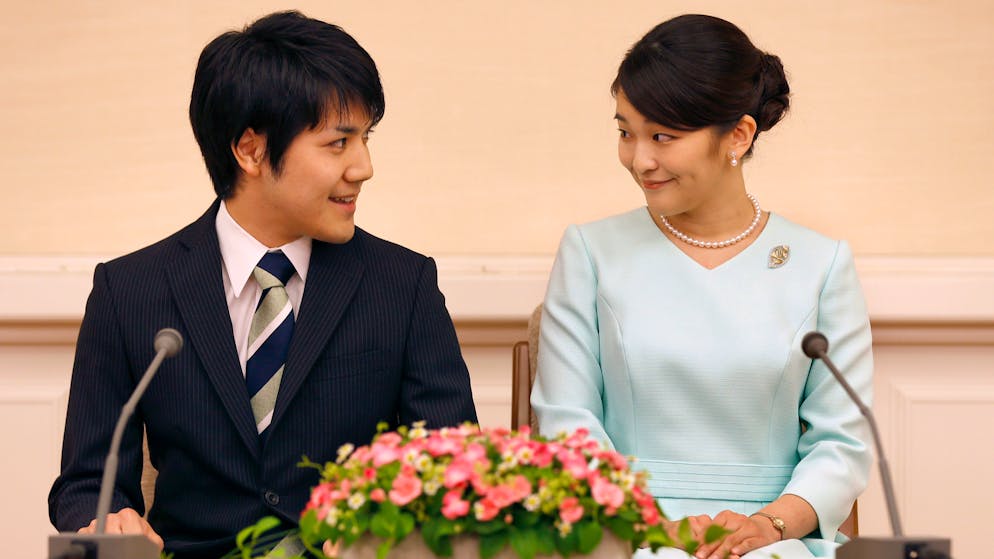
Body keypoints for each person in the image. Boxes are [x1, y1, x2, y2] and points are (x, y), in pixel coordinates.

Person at [48, 11, 477, 558]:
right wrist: (107, 521)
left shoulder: (403, 285)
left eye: (365, 138)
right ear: (250, 150)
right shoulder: (129, 291)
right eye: (338, 143)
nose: (364, 167)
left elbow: (457, 473)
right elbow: (85, 483)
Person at [531, 14, 872, 559]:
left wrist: (769, 527)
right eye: (626, 132)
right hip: (624, 534)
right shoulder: (591, 252)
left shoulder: (821, 263)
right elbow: (568, 424)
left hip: (774, 537)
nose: (639, 160)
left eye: (662, 136)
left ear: (738, 134)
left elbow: (842, 442)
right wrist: (647, 531)